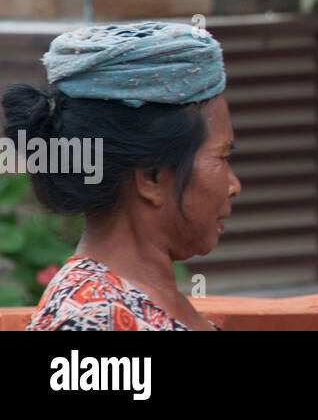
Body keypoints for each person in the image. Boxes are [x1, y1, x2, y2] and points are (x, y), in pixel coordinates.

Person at [2, 21, 239, 331]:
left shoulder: (137, 300)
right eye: (222, 157)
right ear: (152, 176)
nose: (234, 185)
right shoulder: (90, 319)